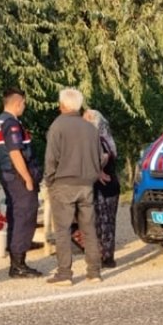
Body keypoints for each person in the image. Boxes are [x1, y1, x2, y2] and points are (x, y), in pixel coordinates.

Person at [43, 88, 103, 285]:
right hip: (86, 183)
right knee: (89, 229)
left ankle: (64, 273)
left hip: (63, 183)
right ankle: (94, 272)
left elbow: (51, 158)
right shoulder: (91, 128)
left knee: (63, 230)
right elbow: (98, 157)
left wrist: (49, 180)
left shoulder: (57, 126)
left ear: (63, 105)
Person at [0, 88, 43, 279]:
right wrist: (28, 178)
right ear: (17, 102)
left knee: (16, 215)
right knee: (24, 216)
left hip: (9, 175)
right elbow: (15, 153)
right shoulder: (10, 123)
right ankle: (19, 265)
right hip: (18, 176)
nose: (25, 106)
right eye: (23, 102)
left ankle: (17, 262)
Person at [83, 109, 120, 269]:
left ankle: (104, 257)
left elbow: (101, 158)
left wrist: (97, 171)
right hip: (110, 184)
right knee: (107, 222)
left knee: (101, 222)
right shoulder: (107, 138)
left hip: (102, 186)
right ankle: (106, 256)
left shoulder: (97, 140)